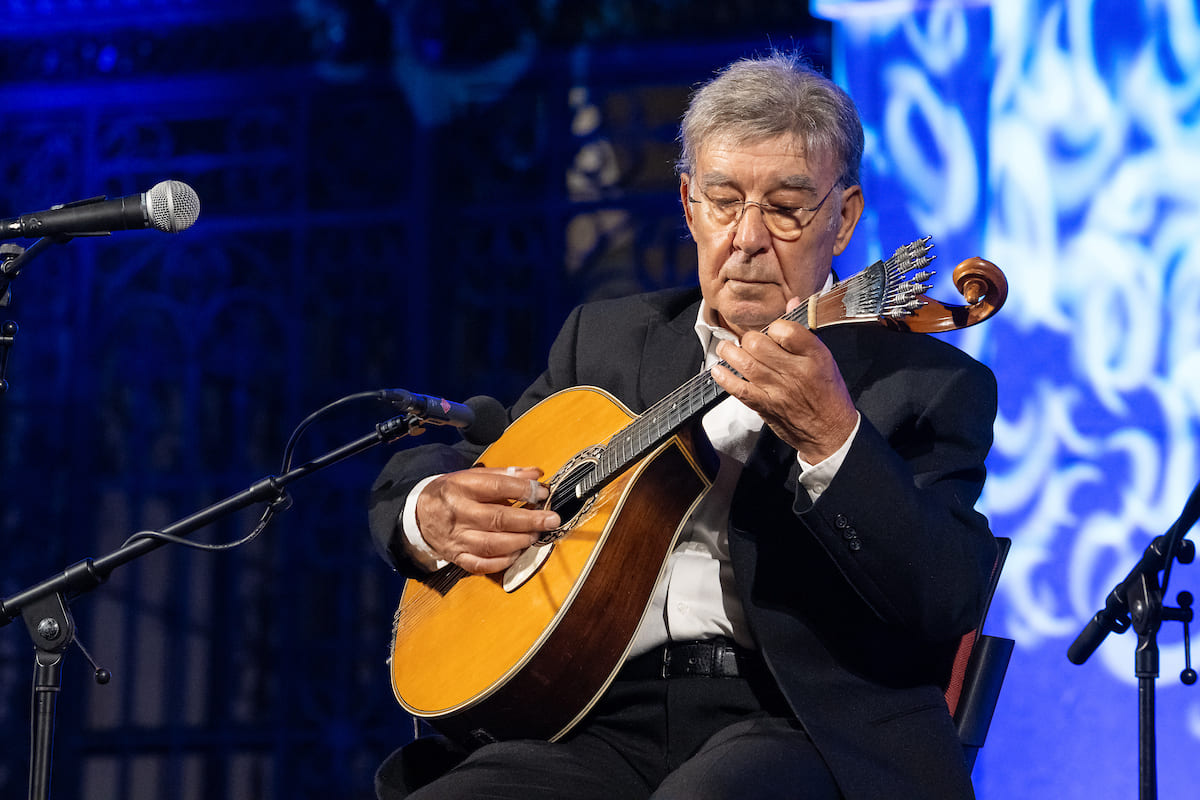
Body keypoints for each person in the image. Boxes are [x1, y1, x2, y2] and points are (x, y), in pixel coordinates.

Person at [368, 50, 998, 800]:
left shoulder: (925, 384)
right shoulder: (605, 342)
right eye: (724, 200)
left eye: (787, 208)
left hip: (798, 724)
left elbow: (946, 593)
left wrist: (834, 438)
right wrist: (426, 510)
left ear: (843, 218)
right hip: (588, 716)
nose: (748, 237)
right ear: (689, 205)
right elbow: (476, 456)